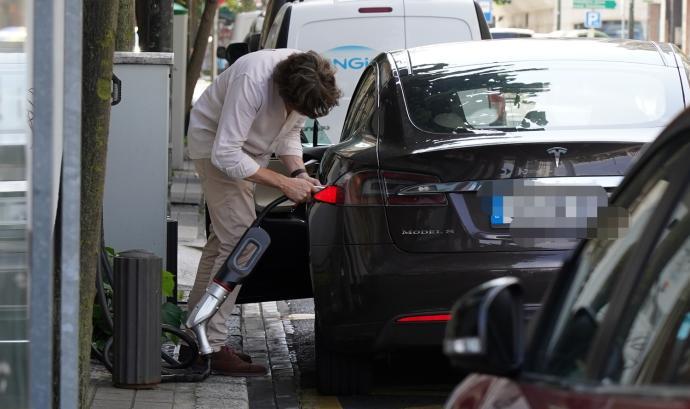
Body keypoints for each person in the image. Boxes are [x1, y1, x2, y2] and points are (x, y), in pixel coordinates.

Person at [185, 49, 341, 376]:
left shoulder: (307, 77)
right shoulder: (252, 79)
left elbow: (289, 136)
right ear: (285, 92)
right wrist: (283, 183)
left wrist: (299, 175)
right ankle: (210, 346)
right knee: (240, 241)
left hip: (242, 154)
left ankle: (196, 336)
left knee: (222, 243)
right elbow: (225, 154)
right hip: (214, 146)